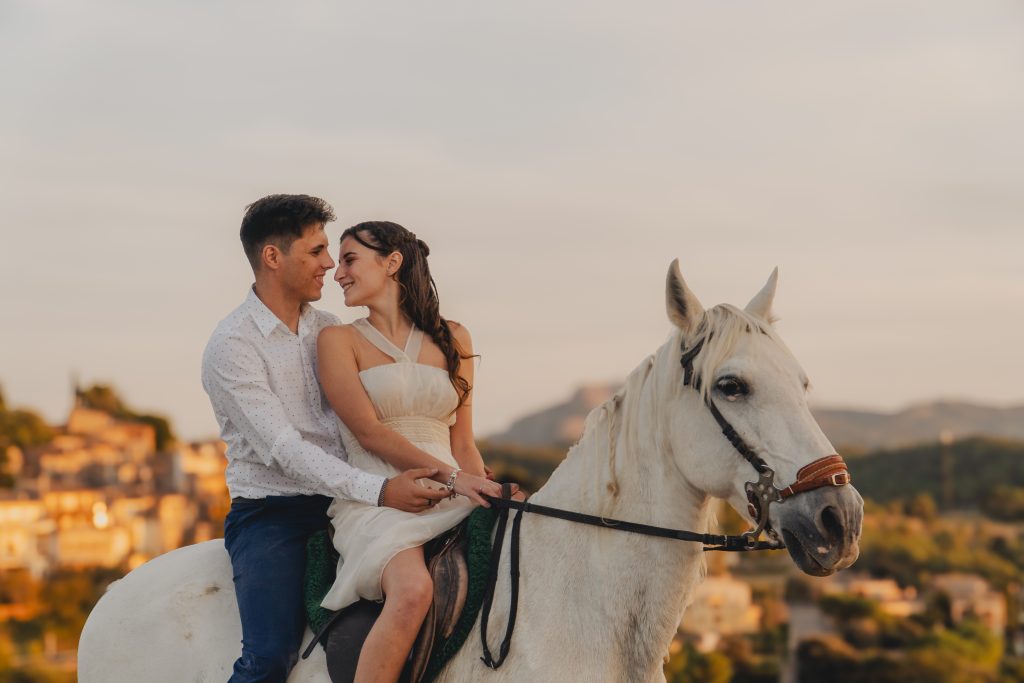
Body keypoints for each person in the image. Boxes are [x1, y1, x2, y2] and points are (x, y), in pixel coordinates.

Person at [202, 196, 460, 683]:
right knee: (269, 658)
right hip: (276, 513)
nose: (328, 265)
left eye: (334, 254)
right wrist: (381, 490)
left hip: (357, 497)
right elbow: (285, 451)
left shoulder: (330, 328)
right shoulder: (232, 345)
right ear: (273, 258)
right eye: (317, 251)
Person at [316, 221, 504, 683]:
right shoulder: (338, 341)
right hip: (378, 498)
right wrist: (454, 478)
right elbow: (369, 433)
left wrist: (484, 490)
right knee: (413, 590)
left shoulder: (455, 337)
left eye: (350, 259)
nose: (338, 273)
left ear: (392, 262)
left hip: (452, 488)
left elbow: (462, 441)